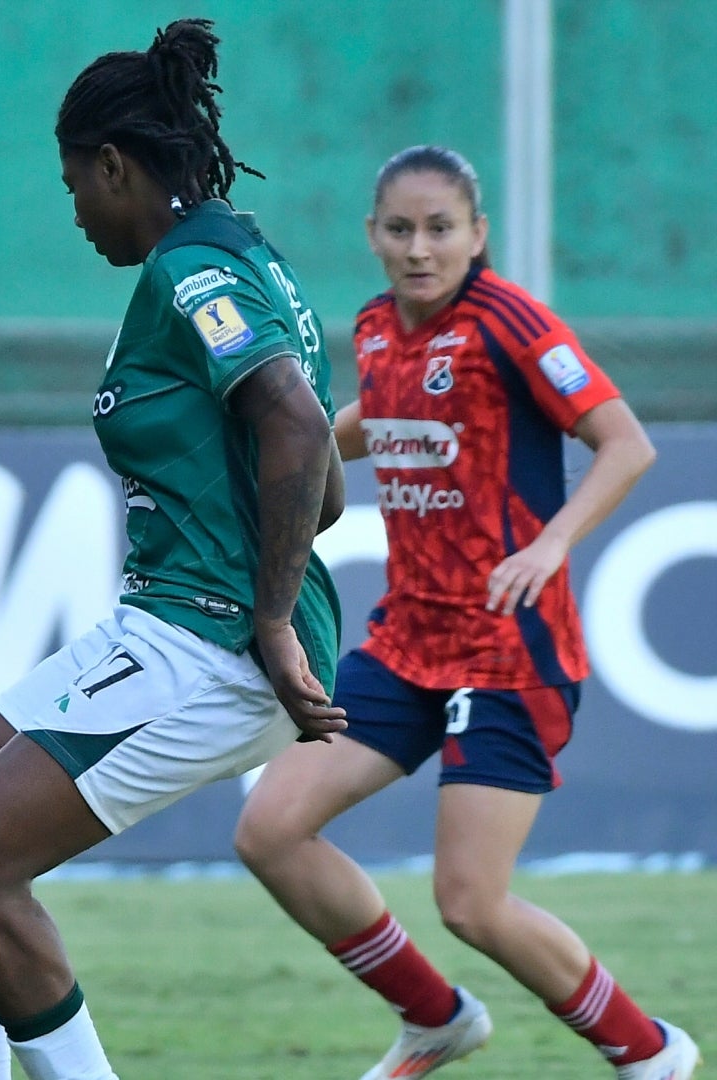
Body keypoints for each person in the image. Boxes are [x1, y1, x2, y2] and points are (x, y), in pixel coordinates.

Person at [0, 19, 347, 1080]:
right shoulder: (247, 255)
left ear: (112, 165)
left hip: (215, 639)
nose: (78, 212)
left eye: (73, 186)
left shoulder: (192, 273)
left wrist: (267, 619)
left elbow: (299, 430)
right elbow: (316, 488)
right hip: (172, 619)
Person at [233, 145, 698, 1079]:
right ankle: (436, 1019)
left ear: (477, 235)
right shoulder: (371, 328)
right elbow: (379, 419)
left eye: (440, 228)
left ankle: (652, 1054)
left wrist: (552, 542)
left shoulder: (510, 324)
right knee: (269, 830)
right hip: (407, 644)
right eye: (400, 229)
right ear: (372, 236)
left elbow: (625, 443)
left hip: (509, 655)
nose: (419, 248)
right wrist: (290, 451)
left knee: (472, 903)